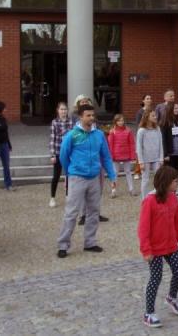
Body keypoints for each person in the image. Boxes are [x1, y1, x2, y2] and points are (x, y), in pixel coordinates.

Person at [57, 104, 117, 258]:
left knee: (94, 211)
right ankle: (63, 244)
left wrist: (112, 175)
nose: (91, 118)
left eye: (92, 115)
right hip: (77, 177)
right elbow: (63, 155)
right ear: (81, 117)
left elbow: (106, 156)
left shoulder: (99, 135)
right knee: (71, 212)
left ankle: (90, 242)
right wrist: (71, 171)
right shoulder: (72, 135)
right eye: (88, 115)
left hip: (94, 178)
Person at [138, 166, 178, 328]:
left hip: (171, 245)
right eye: (175, 181)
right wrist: (146, 250)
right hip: (155, 249)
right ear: (166, 182)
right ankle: (149, 313)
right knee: (155, 278)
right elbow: (143, 228)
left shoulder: (174, 198)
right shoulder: (149, 201)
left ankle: (171, 297)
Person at [48, 102, 73, 208]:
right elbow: (52, 139)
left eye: (65, 109)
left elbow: (72, 136)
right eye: (61, 109)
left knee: (69, 175)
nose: (63, 111)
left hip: (69, 153)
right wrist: (52, 154)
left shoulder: (71, 121)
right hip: (58, 151)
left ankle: (68, 196)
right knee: (56, 176)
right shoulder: (54, 122)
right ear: (58, 111)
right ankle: (52, 197)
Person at [136, 110, 164, 199]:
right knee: (145, 180)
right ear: (147, 117)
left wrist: (161, 158)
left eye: (155, 115)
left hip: (156, 158)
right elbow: (139, 147)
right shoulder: (141, 131)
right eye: (153, 116)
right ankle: (144, 200)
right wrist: (141, 162)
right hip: (145, 159)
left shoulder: (157, 129)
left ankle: (158, 198)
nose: (155, 117)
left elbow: (160, 144)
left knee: (159, 179)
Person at [107, 114, 137, 197]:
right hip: (116, 155)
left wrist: (132, 155)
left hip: (126, 155)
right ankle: (113, 190)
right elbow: (110, 145)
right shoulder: (112, 131)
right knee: (115, 173)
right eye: (119, 121)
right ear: (115, 122)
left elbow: (131, 144)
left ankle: (131, 189)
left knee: (128, 172)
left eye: (122, 120)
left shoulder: (128, 131)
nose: (121, 122)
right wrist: (111, 156)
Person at [160, 102, 178, 180]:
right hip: (170, 151)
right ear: (170, 109)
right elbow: (164, 139)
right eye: (175, 108)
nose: (177, 110)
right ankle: (169, 183)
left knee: (176, 168)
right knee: (169, 170)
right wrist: (165, 154)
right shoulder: (165, 122)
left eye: (177, 108)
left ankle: (175, 182)